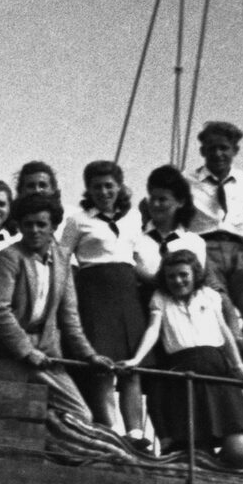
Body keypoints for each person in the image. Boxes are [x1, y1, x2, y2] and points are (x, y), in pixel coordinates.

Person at [124, 249, 243, 466]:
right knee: (197, 452)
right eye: (171, 276)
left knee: (239, 452)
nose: (178, 281)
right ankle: (207, 477)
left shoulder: (210, 295)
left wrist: (240, 370)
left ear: (195, 274)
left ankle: (217, 472)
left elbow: (226, 335)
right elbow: (153, 330)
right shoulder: (160, 298)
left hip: (217, 373)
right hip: (184, 373)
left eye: (183, 274)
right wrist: (136, 359)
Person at [0, 192, 106, 420]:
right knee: (0, 420)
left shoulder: (62, 261)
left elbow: (69, 317)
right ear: (19, 226)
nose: (34, 230)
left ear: (54, 227)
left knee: (80, 415)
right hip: (8, 353)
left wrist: (89, 355)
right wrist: (26, 351)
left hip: (47, 352)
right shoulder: (7, 258)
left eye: (41, 224)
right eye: (28, 224)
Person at [58, 159, 147, 438]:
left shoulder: (133, 217)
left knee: (131, 367)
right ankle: (109, 430)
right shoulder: (78, 219)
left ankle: (135, 433)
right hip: (94, 292)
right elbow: (62, 257)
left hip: (127, 292)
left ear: (119, 187)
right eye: (97, 186)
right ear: (88, 189)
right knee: (103, 367)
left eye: (109, 185)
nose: (104, 191)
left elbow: (137, 257)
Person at [187, 120, 243, 363]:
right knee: (224, 310)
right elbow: (160, 204)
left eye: (224, 148)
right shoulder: (186, 180)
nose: (218, 153)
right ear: (203, 151)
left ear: (235, 150)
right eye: (211, 148)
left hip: (238, 251)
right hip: (203, 249)